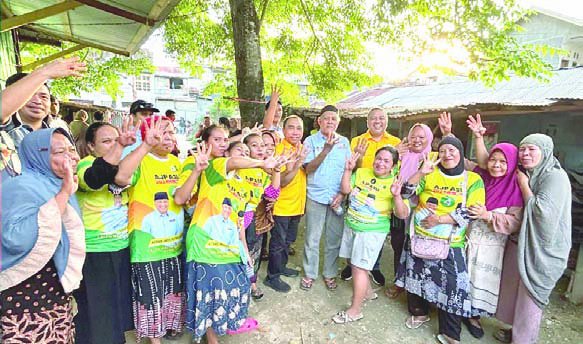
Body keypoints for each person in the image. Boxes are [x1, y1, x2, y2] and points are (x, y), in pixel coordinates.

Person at [175, 126, 286, 344]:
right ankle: (210, 337)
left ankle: (216, 328)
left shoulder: (243, 182)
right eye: (240, 151)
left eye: (248, 151)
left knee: (234, 285)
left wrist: (243, 248)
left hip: (230, 242)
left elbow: (244, 216)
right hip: (205, 242)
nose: (244, 155)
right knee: (209, 291)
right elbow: (232, 163)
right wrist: (262, 162)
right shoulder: (214, 167)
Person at [396, 136, 485, 344]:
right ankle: (419, 312)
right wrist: (420, 172)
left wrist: (440, 219)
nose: (447, 155)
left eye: (452, 150)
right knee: (416, 278)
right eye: (443, 151)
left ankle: (450, 332)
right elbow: (406, 193)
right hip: (420, 238)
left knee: (452, 286)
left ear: (461, 153)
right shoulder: (429, 174)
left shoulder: (472, 179)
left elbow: (474, 210)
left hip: (450, 243)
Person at [1, 128, 84, 343]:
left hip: (55, 295)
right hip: (24, 300)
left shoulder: (55, 183)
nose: (71, 157)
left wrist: (64, 191)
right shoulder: (19, 186)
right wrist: (63, 194)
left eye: (72, 149)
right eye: (60, 151)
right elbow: (16, 239)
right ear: (36, 155)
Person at [494, 133, 571, 344]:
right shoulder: (528, 172)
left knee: (530, 296)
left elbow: (543, 214)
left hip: (542, 250)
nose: (526, 153)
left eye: (532, 149)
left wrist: (524, 185)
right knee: (514, 289)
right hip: (521, 243)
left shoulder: (555, 177)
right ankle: (516, 331)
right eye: (523, 149)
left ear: (545, 152)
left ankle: (523, 340)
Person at [452, 115, 525, 339]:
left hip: (492, 247)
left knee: (481, 279)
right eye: (494, 160)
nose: (496, 165)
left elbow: (514, 222)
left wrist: (488, 215)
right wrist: (452, 135)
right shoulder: (480, 176)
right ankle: (455, 311)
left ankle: (474, 316)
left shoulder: (515, 188)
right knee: (460, 275)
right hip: (467, 238)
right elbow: (460, 160)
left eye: (503, 162)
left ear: (511, 164)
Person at [117, 116, 185, 343]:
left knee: (172, 288)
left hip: (174, 243)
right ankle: (153, 336)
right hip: (147, 245)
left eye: (172, 132)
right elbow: (121, 177)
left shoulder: (177, 163)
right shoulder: (140, 159)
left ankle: (171, 325)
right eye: (163, 132)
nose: (169, 137)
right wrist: (143, 147)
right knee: (150, 292)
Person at [73, 118, 141, 344]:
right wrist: (120, 147)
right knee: (95, 313)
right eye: (106, 141)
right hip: (94, 252)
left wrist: (145, 146)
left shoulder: (128, 165)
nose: (113, 145)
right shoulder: (85, 165)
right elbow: (95, 179)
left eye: (117, 140)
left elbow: (122, 178)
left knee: (116, 313)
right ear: (91, 146)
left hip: (121, 247)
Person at [332, 146, 409, 323]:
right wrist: (348, 169)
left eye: (386, 161)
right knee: (353, 262)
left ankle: (355, 310)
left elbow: (403, 214)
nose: (380, 163)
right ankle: (366, 292)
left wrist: (396, 196)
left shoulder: (395, 183)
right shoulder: (362, 173)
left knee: (360, 268)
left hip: (371, 232)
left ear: (393, 166)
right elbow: (345, 189)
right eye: (378, 158)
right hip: (352, 225)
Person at [341, 108, 401, 285]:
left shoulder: (395, 142)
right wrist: (358, 156)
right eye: (373, 118)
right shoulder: (357, 140)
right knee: (354, 229)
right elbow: (354, 166)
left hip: (382, 196)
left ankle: (373, 267)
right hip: (359, 190)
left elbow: (397, 170)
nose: (377, 121)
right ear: (367, 122)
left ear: (387, 121)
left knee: (374, 234)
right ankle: (350, 265)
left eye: (381, 118)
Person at [301, 105, 351, 291]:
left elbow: (348, 169)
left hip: (337, 198)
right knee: (312, 238)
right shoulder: (310, 141)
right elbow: (307, 169)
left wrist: (342, 194)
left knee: (333, 239)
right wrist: (326, 150)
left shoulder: (345, 142)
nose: (330, 121)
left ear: (338, 122)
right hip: (315, 195)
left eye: (334, 118)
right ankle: (309, 273)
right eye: (326, 118)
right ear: (319, 121)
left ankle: (330, 274)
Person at [385, 122, 435, 299]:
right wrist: (394, 152)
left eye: (422, 137)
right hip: (397, 204)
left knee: (418, 248)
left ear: (429, 139)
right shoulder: (401, 155)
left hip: (421, 211)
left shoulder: (432, 157)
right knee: (398, 244)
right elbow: (384, 167)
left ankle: (417, 287)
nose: (417, 140)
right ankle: (399, 282)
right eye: (413, 136)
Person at [265, 115, 308, 292]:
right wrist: (296, 164)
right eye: (291, 127)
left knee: (289, 241)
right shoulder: (280, 150)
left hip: (297, 205)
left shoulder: (304, 148)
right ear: (283, 130)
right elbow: (281, 182)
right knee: (278, 242)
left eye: (299, 128)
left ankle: (282, 267)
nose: (295, 132)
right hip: (282, 206)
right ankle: (272, 276)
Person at [240, 133, 282, 300]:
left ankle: (251, 284)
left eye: (262, 146)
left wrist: (276, 170)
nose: (260, 149)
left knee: (253, 253)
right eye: (254, 145)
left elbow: (272, 193)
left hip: (253, 221)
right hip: (235, 219)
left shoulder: (263, 174)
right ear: (246, 149)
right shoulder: (238, 168)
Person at [1, 73, 52, 152]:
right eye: (30, 95)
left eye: (44, 97)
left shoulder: (58, 134)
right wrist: (46, 71)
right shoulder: (5, 130)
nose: (38, 101)